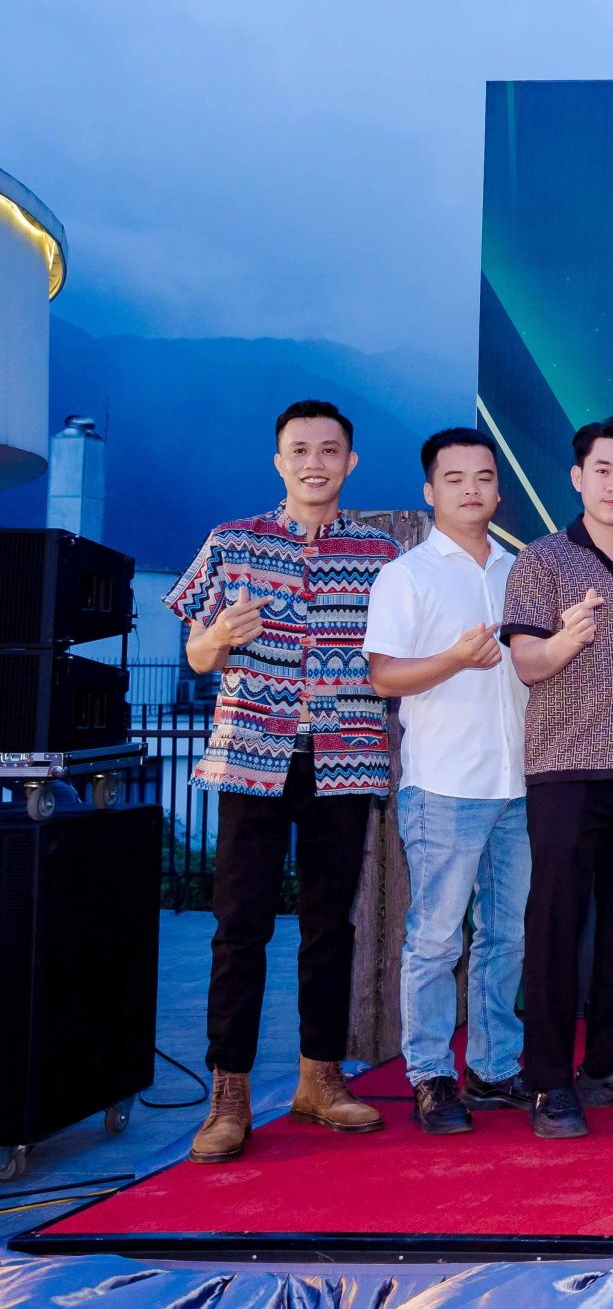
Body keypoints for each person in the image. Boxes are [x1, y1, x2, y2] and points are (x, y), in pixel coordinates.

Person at [170, 400, 400, 1162]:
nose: (314, 462)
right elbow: (197, 655)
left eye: (329, 449)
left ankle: (320, 1078)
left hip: (345, 756)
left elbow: (398, 652)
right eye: (300, 449)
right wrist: (217, 635)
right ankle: (228, 1092)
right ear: (279, 460)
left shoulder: (382, 554)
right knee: (240, 925)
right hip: (252, 755)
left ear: (350, 461)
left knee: (331, 924)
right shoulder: (232, 542)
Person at [502, 414, 613, 1140]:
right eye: (602, 470)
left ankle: (607, 1061)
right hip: (565, 768)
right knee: (556, 925)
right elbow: (526, 662)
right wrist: (566, 640)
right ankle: (548, 1079)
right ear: (577, 477)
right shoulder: (542, 559)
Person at [363, 428, 532, 1136]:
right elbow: (383, 676)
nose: (472, 489)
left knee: (506, 936)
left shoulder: (522, 570)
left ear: (498, 490)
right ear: (430, 491)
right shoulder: (407, 576)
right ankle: (430, 1073)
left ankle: (494, 1066)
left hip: (520, 783)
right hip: (445, 785)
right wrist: (455, 659)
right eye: (455, 478)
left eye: (484, 477)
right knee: (435, 939)